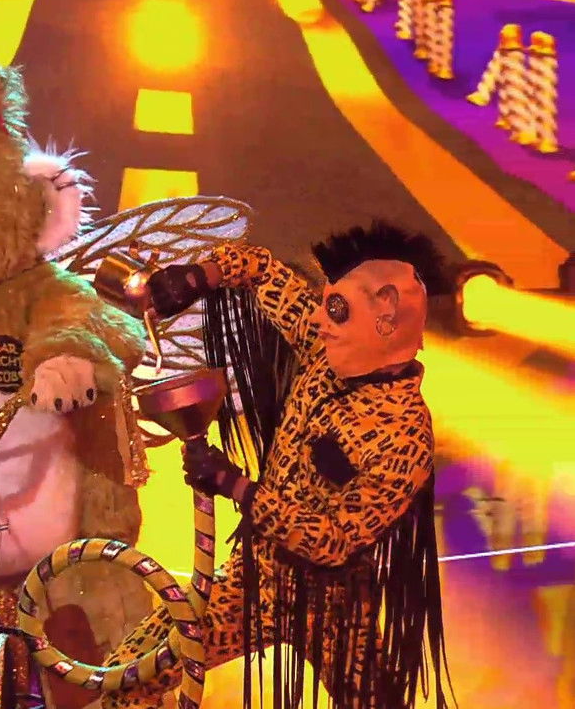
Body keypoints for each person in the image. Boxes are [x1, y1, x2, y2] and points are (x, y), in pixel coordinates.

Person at [105, 221, 452, 709]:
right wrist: (198, 277)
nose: (321, 321)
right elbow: (262, 269)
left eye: (337, 310)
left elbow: (333, 541)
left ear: (386, 319)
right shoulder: (323, 350)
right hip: (252, 579)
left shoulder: (406, 436)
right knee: (127, 676)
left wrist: (235, 485)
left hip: (332, 607)